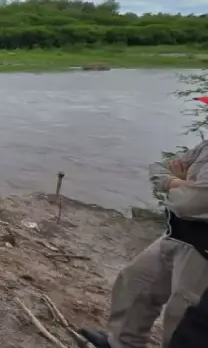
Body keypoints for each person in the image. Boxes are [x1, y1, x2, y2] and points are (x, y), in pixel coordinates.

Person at [79, 116, 208, 348]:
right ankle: (121, 343)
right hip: (175, 234)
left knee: (183, 315)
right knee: (135, 282)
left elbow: (192, 203)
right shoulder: (204, 146)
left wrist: (178, 184)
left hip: (202, 249)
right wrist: (179, 183)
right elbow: (158, 168)